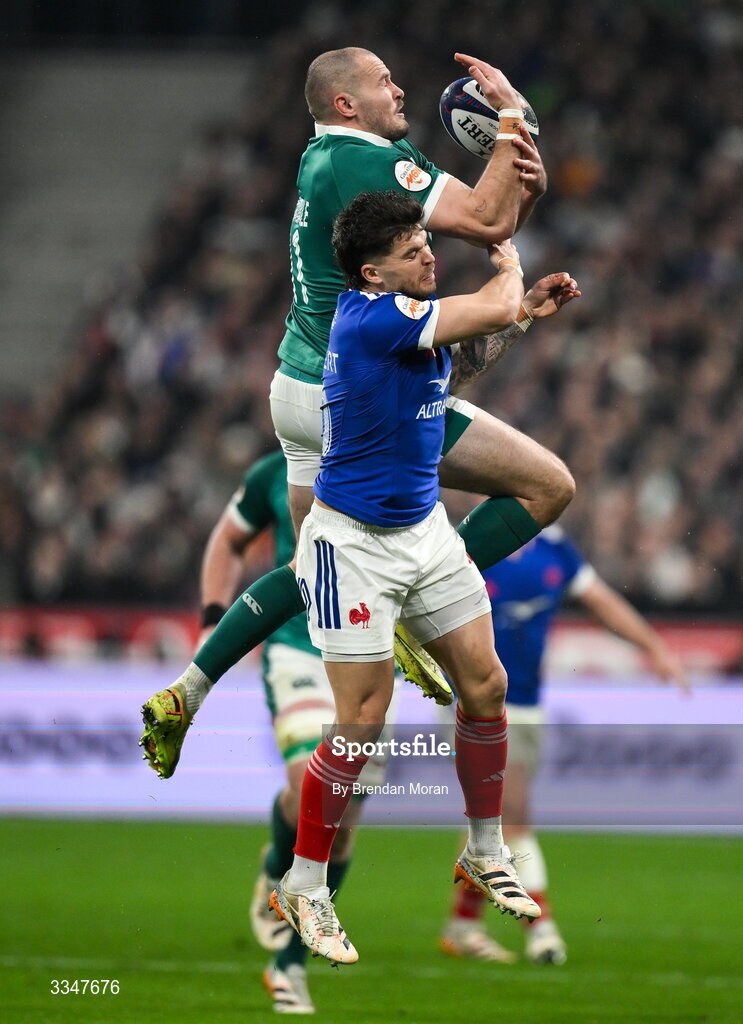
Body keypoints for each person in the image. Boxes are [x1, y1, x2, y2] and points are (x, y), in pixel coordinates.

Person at [140, 46, 576, 779]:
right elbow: (486, 216)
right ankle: (419, 605)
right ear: (345, 103)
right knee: (546, 485)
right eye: (382, 82)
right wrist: (507, 110)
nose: (399, 88)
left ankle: (188, 690)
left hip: (302, 386)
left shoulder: (350, 159)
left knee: (314, 564)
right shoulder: (361, 162)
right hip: (361, 393)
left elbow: (497, 219)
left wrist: (519, 172)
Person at [267, 189, 579, 966]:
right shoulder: (371, 317)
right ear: (372, 273)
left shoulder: (402, 321)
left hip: (424, 533)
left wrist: (523, 316)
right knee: (361, 723)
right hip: (354, 544)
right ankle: (304, 882)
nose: (428, 255)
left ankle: (481, 848)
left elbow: (456, 366)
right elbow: (488, 301)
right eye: (412, 251)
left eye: (425, 244)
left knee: (486, 686)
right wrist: (506, 259)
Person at [438, 525, 689, 965]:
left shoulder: (555, 549)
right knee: (512, 814)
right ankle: (542, 930)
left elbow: (601, 601)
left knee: (492, 817)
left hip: (529, 704)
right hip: (474, 702)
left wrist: (653, 645)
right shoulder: (469, 540)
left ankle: (463, 924)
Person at [198, 448, 392, 1012]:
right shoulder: (274, 471)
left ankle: (290, 962)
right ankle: (278, 881)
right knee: (315, 779)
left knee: (347, 810)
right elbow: (227, 541)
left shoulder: (396, 458)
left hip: (372, 656)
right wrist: (214, 620)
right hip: (298, 649)